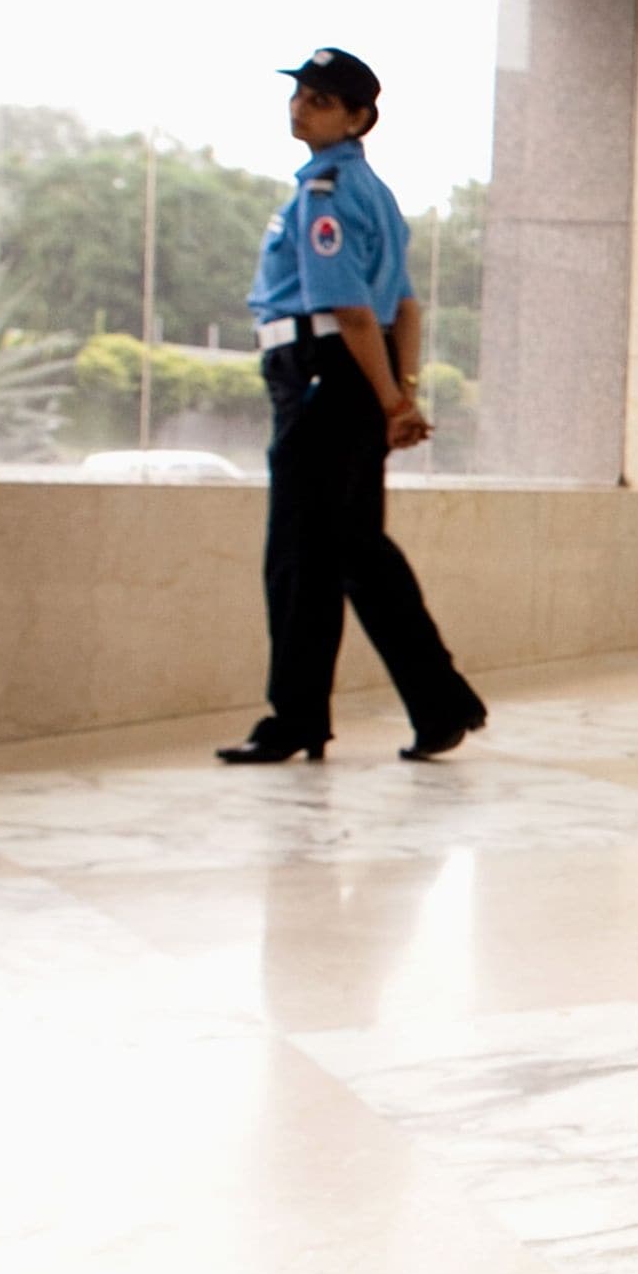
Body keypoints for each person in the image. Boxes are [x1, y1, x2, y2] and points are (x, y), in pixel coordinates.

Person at [219, 47, 488, 765]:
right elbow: (406, 306)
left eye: (320, 100)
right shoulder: (375, 193)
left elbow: (354, 311)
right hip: (353, 379)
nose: (300, 108)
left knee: (301, 554)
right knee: (349, 550)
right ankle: (430, 704)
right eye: (299, 95)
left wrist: (394, 400)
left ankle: (309, 717)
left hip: (324, 375)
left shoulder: (326, 193)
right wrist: (400, 395)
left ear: (358, 117)